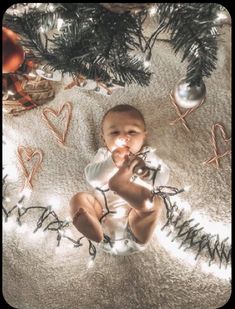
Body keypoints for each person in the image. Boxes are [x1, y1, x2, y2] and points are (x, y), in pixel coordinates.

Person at [69, 104, 170, 254]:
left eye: (132, 131)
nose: (123, 137)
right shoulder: (104, 155)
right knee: (80, 198)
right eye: (115, 132)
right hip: (101, 218)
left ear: (144, 136)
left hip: (133, 225)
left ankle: (121, 185)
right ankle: (90, 224)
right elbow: (92, 177)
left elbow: (162, 178)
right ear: (104, 139)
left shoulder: (147, 156)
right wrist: (112, 162)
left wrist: (145, 172)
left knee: (152, 204)